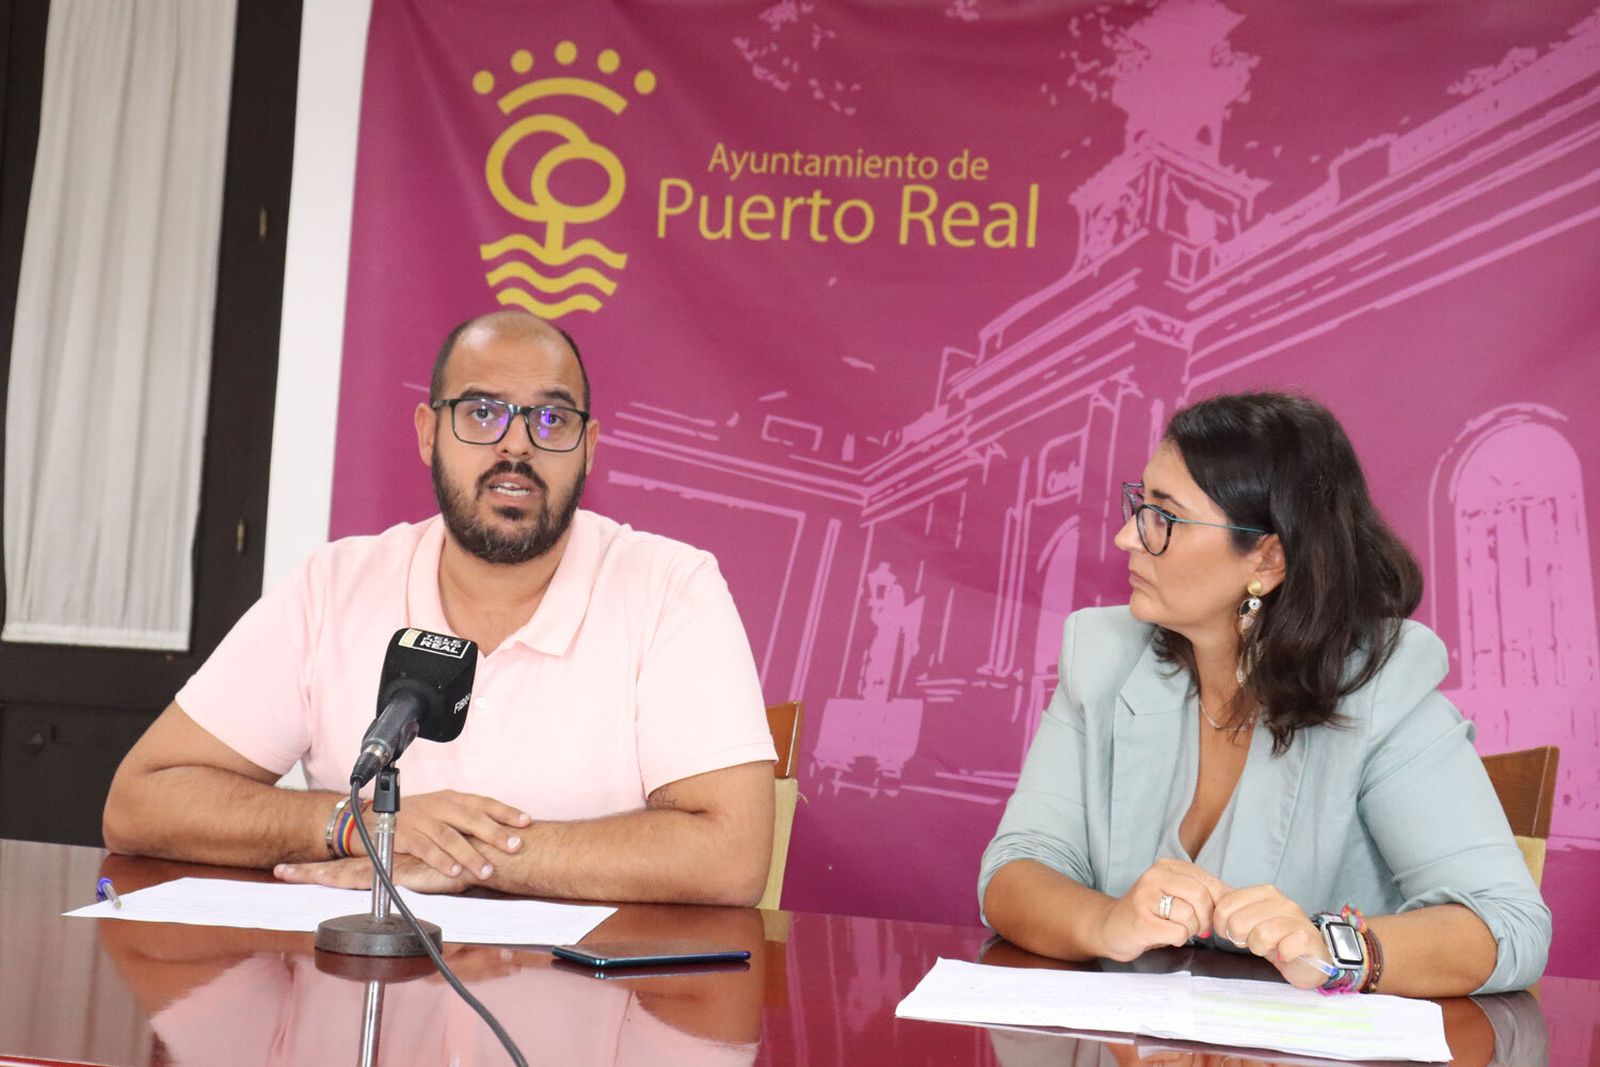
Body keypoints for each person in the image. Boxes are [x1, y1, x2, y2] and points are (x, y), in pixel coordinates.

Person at [103, 310, 777, 905]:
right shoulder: (336, 584)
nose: (516, 445)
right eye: (481, 411)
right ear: (429, 432)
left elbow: (732, 856)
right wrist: (353, 822)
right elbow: (141, 801)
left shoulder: (670, 587)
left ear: (588, 448)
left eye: (551, 418)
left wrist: (469, 860)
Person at [979, 392, 1550, 997]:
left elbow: (1507, 924)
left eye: (1163, 518)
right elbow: (1014, 872)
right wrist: (1105, 922)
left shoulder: (1380, 687)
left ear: (1269, 558)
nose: (1127, 537)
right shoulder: (1103, 657)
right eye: (1140, 504)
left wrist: (1333, 949)